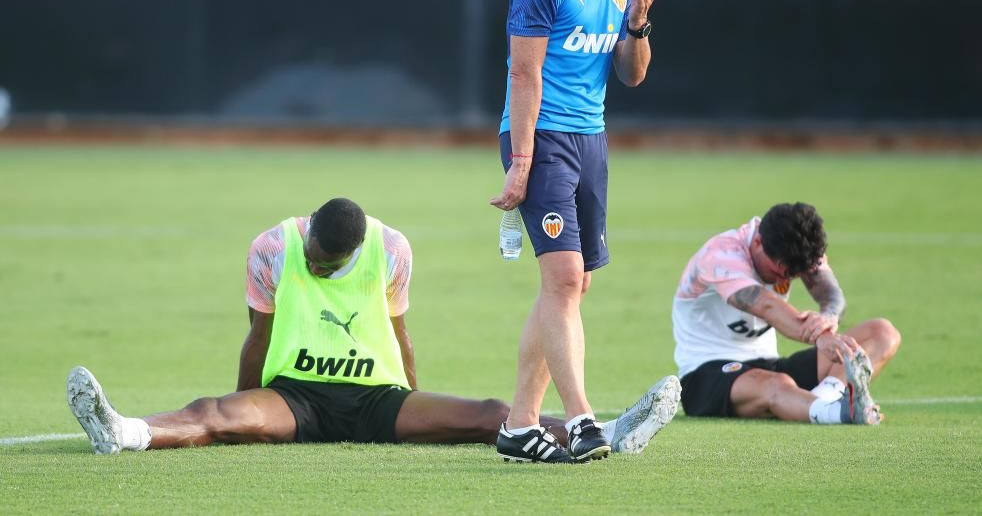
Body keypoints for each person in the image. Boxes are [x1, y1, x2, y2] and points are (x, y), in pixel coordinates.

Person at [68, 197, 680, 459]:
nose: (314, 265)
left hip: (375, 399)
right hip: (295, 398)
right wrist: (239, 396)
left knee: (491, 411)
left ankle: (603, 429)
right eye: (312, 255)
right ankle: (123, 432)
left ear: (353, 253)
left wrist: (412, 396)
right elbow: (258, 334)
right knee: (214, 413)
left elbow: (400, 332)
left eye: (325, 266)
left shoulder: (391, 250)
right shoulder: (273, 249)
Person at [490, 0, 658, 463]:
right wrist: (523, 159)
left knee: (574, 282)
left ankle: (518, 426)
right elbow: (523, 71)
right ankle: (583, 421)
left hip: (591, 140)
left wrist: (638, 22)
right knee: (562, 279)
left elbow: (631, 75)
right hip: (543, 139)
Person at [672, 202, 902, 424]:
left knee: (882, 333)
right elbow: (766, 305)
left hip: (769, 366)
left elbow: (832, 295)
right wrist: (820, 336)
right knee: (777, 384)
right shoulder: (722, 255)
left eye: (792, 276)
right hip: (707, 376)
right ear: (759, 242)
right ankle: (836, 413)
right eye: (779, 271)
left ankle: (823, 399)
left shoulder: (798, 249)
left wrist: (828, 317)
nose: (784, 280)